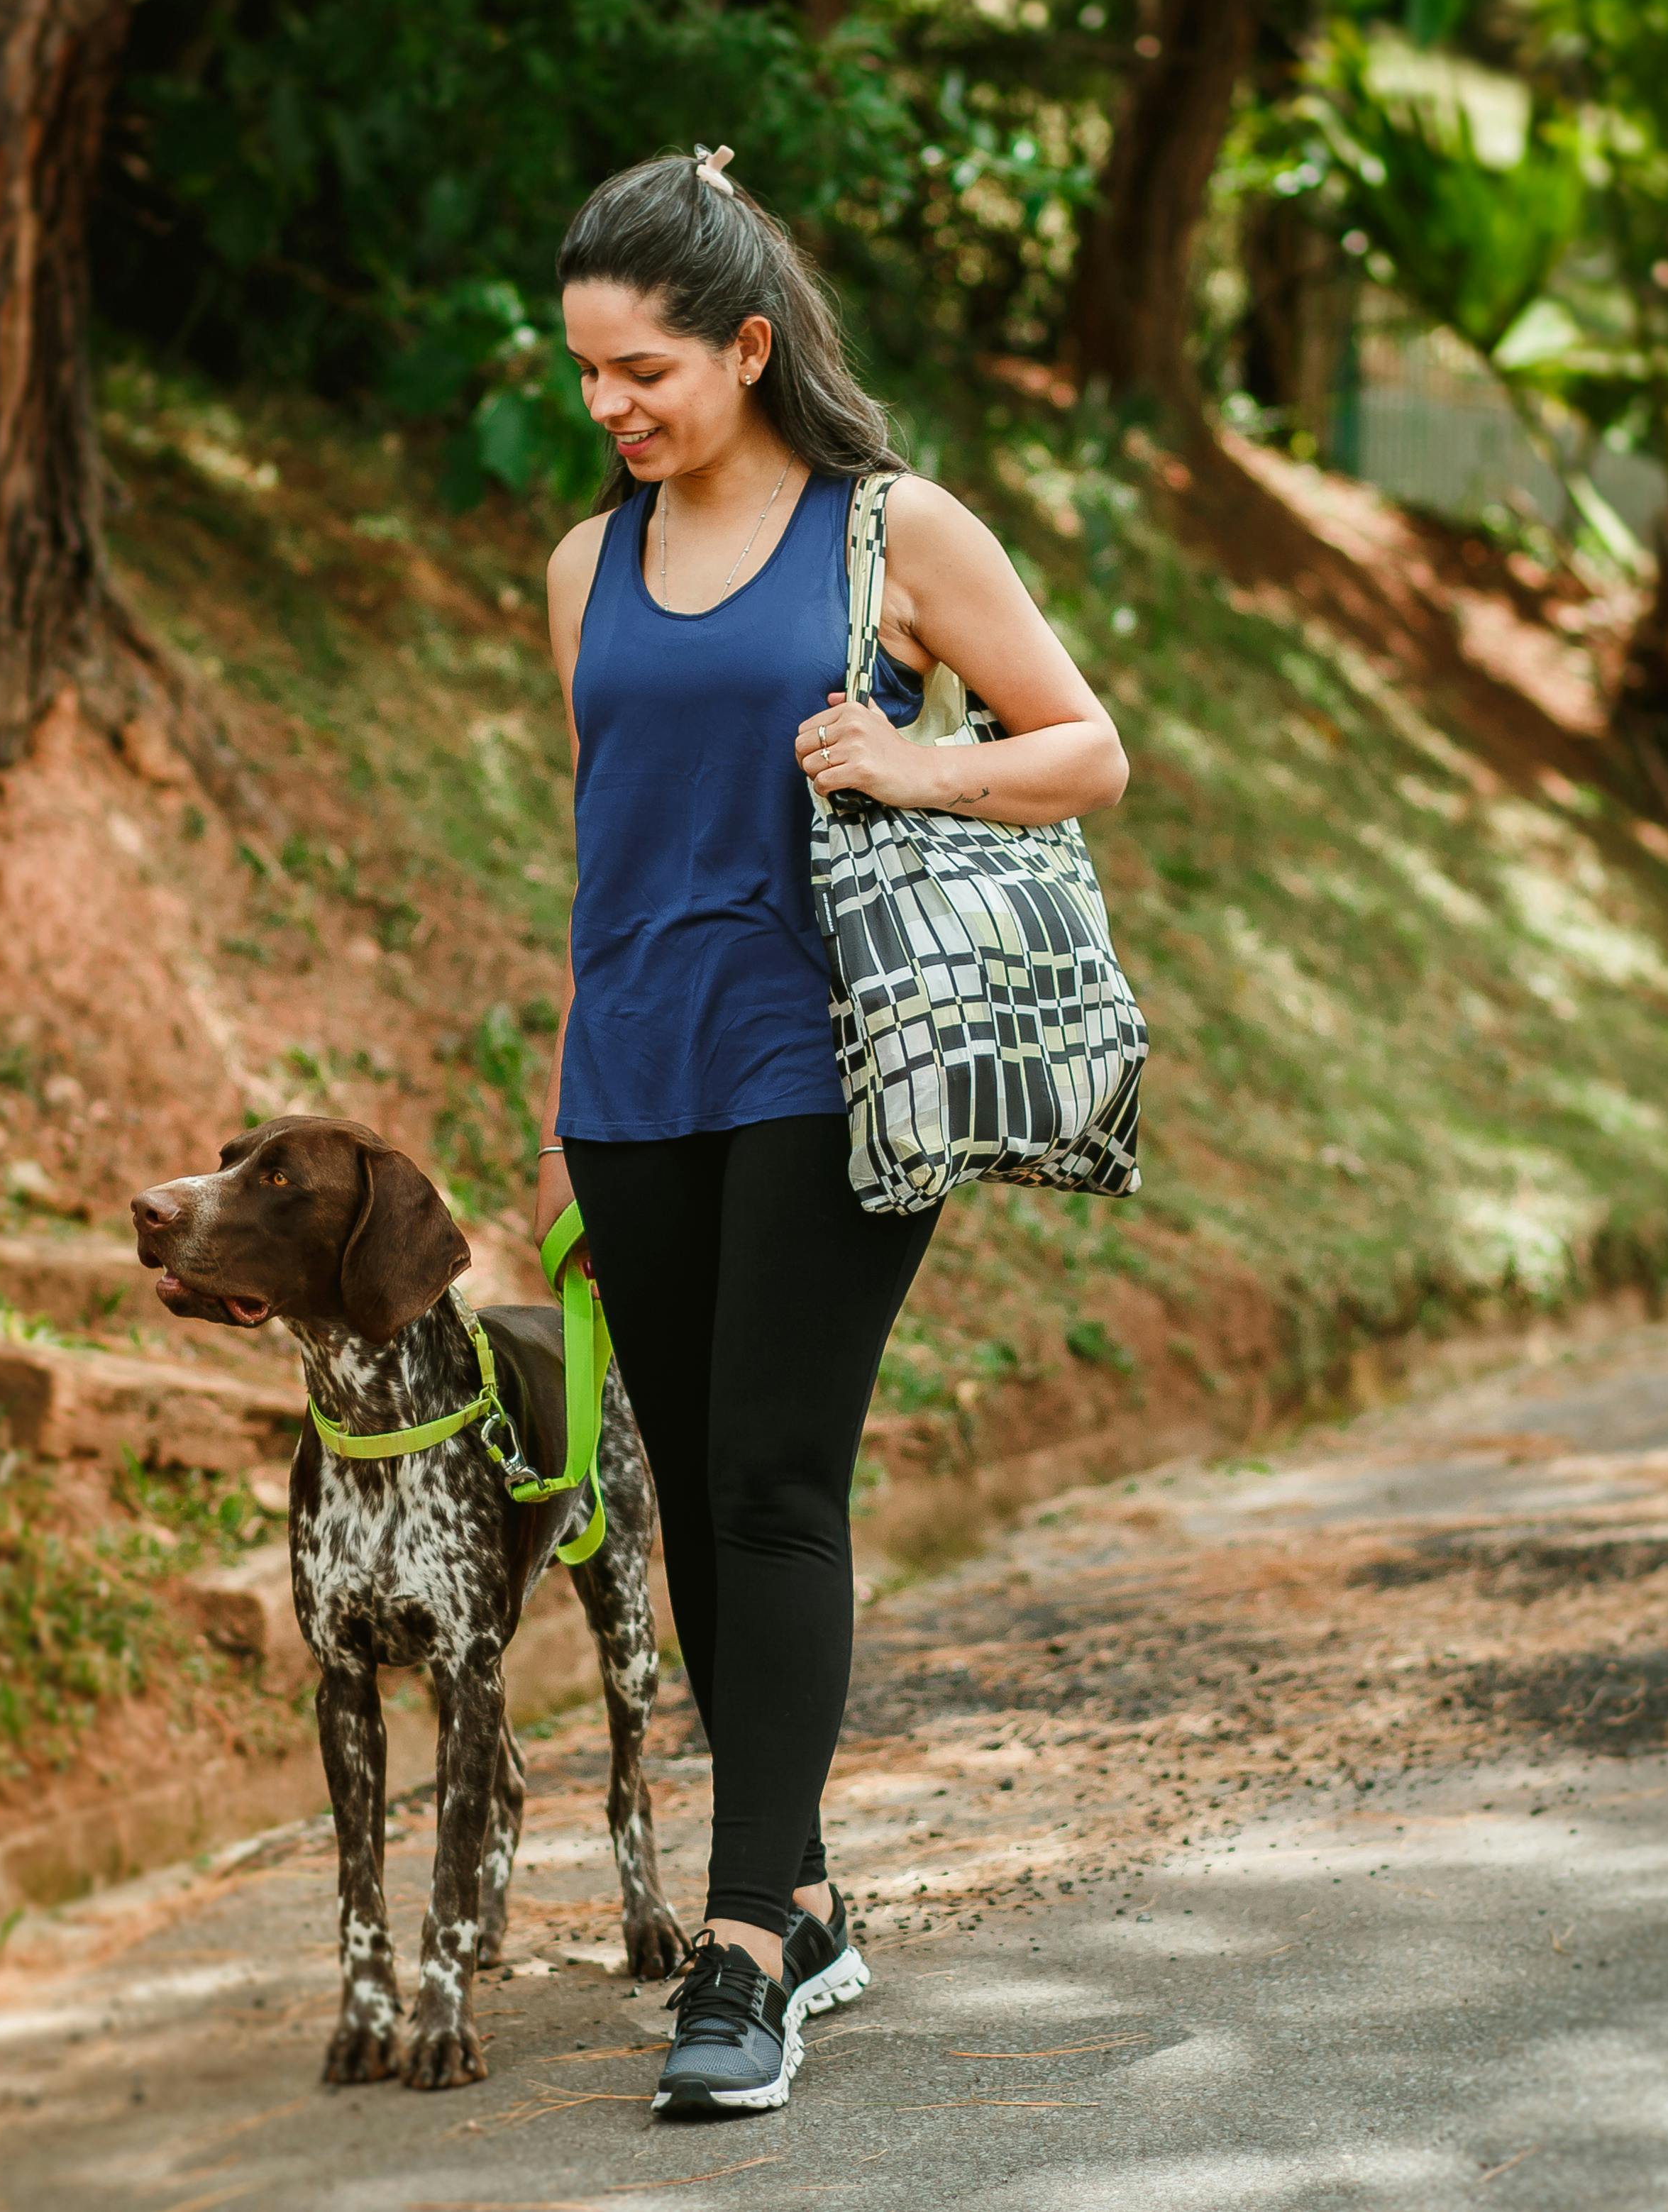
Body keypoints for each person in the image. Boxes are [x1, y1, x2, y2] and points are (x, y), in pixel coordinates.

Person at [532, 145, 1130, 2118]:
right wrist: (565, 1101)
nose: (613, 407)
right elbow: (609, 840)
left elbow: (1085, 745)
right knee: (693, 1493)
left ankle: (745, 1953)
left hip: (828, 1059)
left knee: (775, 1476)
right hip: (634, 1070)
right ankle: (800, 1881)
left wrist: (912, 754)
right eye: (590, 375)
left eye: (645, 370)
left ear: (748, 344)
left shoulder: (890, 531)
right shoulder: (580, 567)